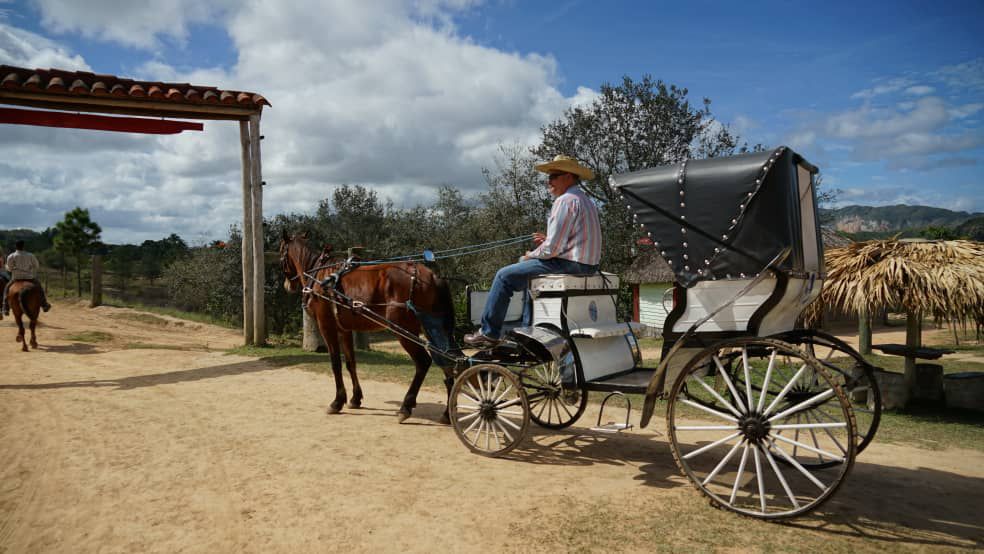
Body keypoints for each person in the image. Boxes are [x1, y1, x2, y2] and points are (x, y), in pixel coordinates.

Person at [464, 155, 602, 348]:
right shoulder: (586, 201)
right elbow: (573, 240)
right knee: (527, 270)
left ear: (568, 176)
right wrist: (545, 244)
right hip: (588, 265)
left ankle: (489, 333)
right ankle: (528, 328)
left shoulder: (565, 201)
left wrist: (532, 254)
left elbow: (552, 249)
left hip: (571, 264)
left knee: (504, 276)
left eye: (553, 176)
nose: (549, 182)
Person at [2, 240, 51, 315]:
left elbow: (10, 269)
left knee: (6, 289)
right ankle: (44, 304)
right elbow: (36, 266)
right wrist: (30, 268)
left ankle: (5, 307)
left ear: (16, 246)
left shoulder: (11, 256)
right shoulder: (30, 255)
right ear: (23, 246)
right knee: (39, 287)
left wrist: (7, 267)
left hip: (16, 278)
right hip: (29, 278)